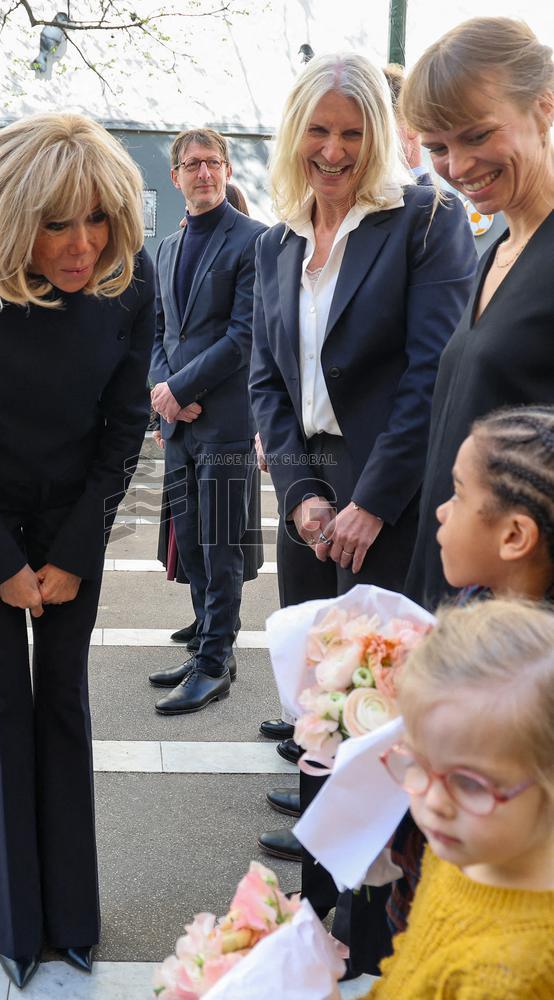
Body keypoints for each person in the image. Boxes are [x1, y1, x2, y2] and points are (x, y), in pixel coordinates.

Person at [0, 113, 154, 990]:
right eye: (56, 224)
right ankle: (12, 923)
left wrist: (79, 549)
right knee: (2, 705)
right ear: (13, 220)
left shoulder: (129, 278)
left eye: (97, 219)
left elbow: (126, 427)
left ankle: (73, 918)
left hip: (75, 516)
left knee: (64, 705)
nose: (82, 245)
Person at [248, 51, 477, 956]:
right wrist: (303, 495)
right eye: (318, 131)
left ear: (378, 135)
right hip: (311, 501)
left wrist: (371, 502)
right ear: (294, 135)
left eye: (351, 133)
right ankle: (318, 923)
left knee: (382, 717)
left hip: (393, 500)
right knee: (316, 711)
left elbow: (432, 375)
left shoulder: (424, 220)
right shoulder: (277, 241)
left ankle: (384, 940)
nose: (334, 152)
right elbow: (267, 375)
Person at [403, 16, 554, 610]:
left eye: (477, 135)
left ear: (544, 105)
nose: (458, 166)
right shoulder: (495, 251)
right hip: (461, 595)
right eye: (438, 147)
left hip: (522, 621)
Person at [389, 402, 554, 934]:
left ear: (514, 536)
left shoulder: (533, 677)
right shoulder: (468, 606)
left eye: (458, 493)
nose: (441, 510)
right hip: (427, 894)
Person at [368, 599, 554, 997]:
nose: (434, 802)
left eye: (470, 783)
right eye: (417, 762)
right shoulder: (463, 849)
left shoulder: (511, 977)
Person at [148, 128, 266, 714]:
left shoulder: (253, 241)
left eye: (212, 163)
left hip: (223, 421)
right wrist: (162, 390)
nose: (203, 172)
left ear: (224, 170)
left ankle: (216, 663)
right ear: (175, 177)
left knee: (221, 545)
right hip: (179, 424)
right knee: (190, 543)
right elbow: (158, 333)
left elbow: (245, 336)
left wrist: (182, 388)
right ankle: (205, 641)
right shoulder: (165, 250)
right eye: (192, 164)